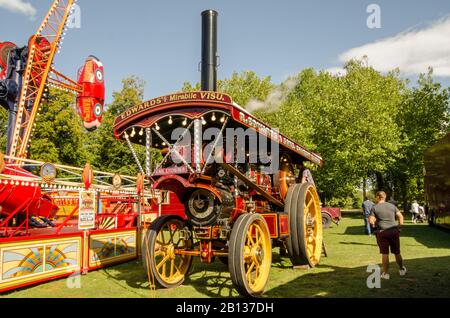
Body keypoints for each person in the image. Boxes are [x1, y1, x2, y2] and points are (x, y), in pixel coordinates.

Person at [369, 191, 407, 280]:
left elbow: (371, 220)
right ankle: (401, 269)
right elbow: (400, 216)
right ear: (385, 197)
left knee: (385, 253)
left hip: (382, 232)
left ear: (378, 197)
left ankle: (386, 274)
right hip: (394, 231)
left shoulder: (374, 207)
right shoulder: (392, 206)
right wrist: (400, 227)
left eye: (375, 197)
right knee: (397, 252)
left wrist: (374, 226)